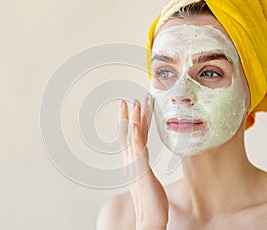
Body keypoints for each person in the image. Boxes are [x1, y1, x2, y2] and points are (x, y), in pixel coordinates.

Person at [97, 0, 267, 229]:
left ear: (253, 88)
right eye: (165, 72)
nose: (179, 94)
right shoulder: (122, 217)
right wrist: (150, 222)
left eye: (209, 72)